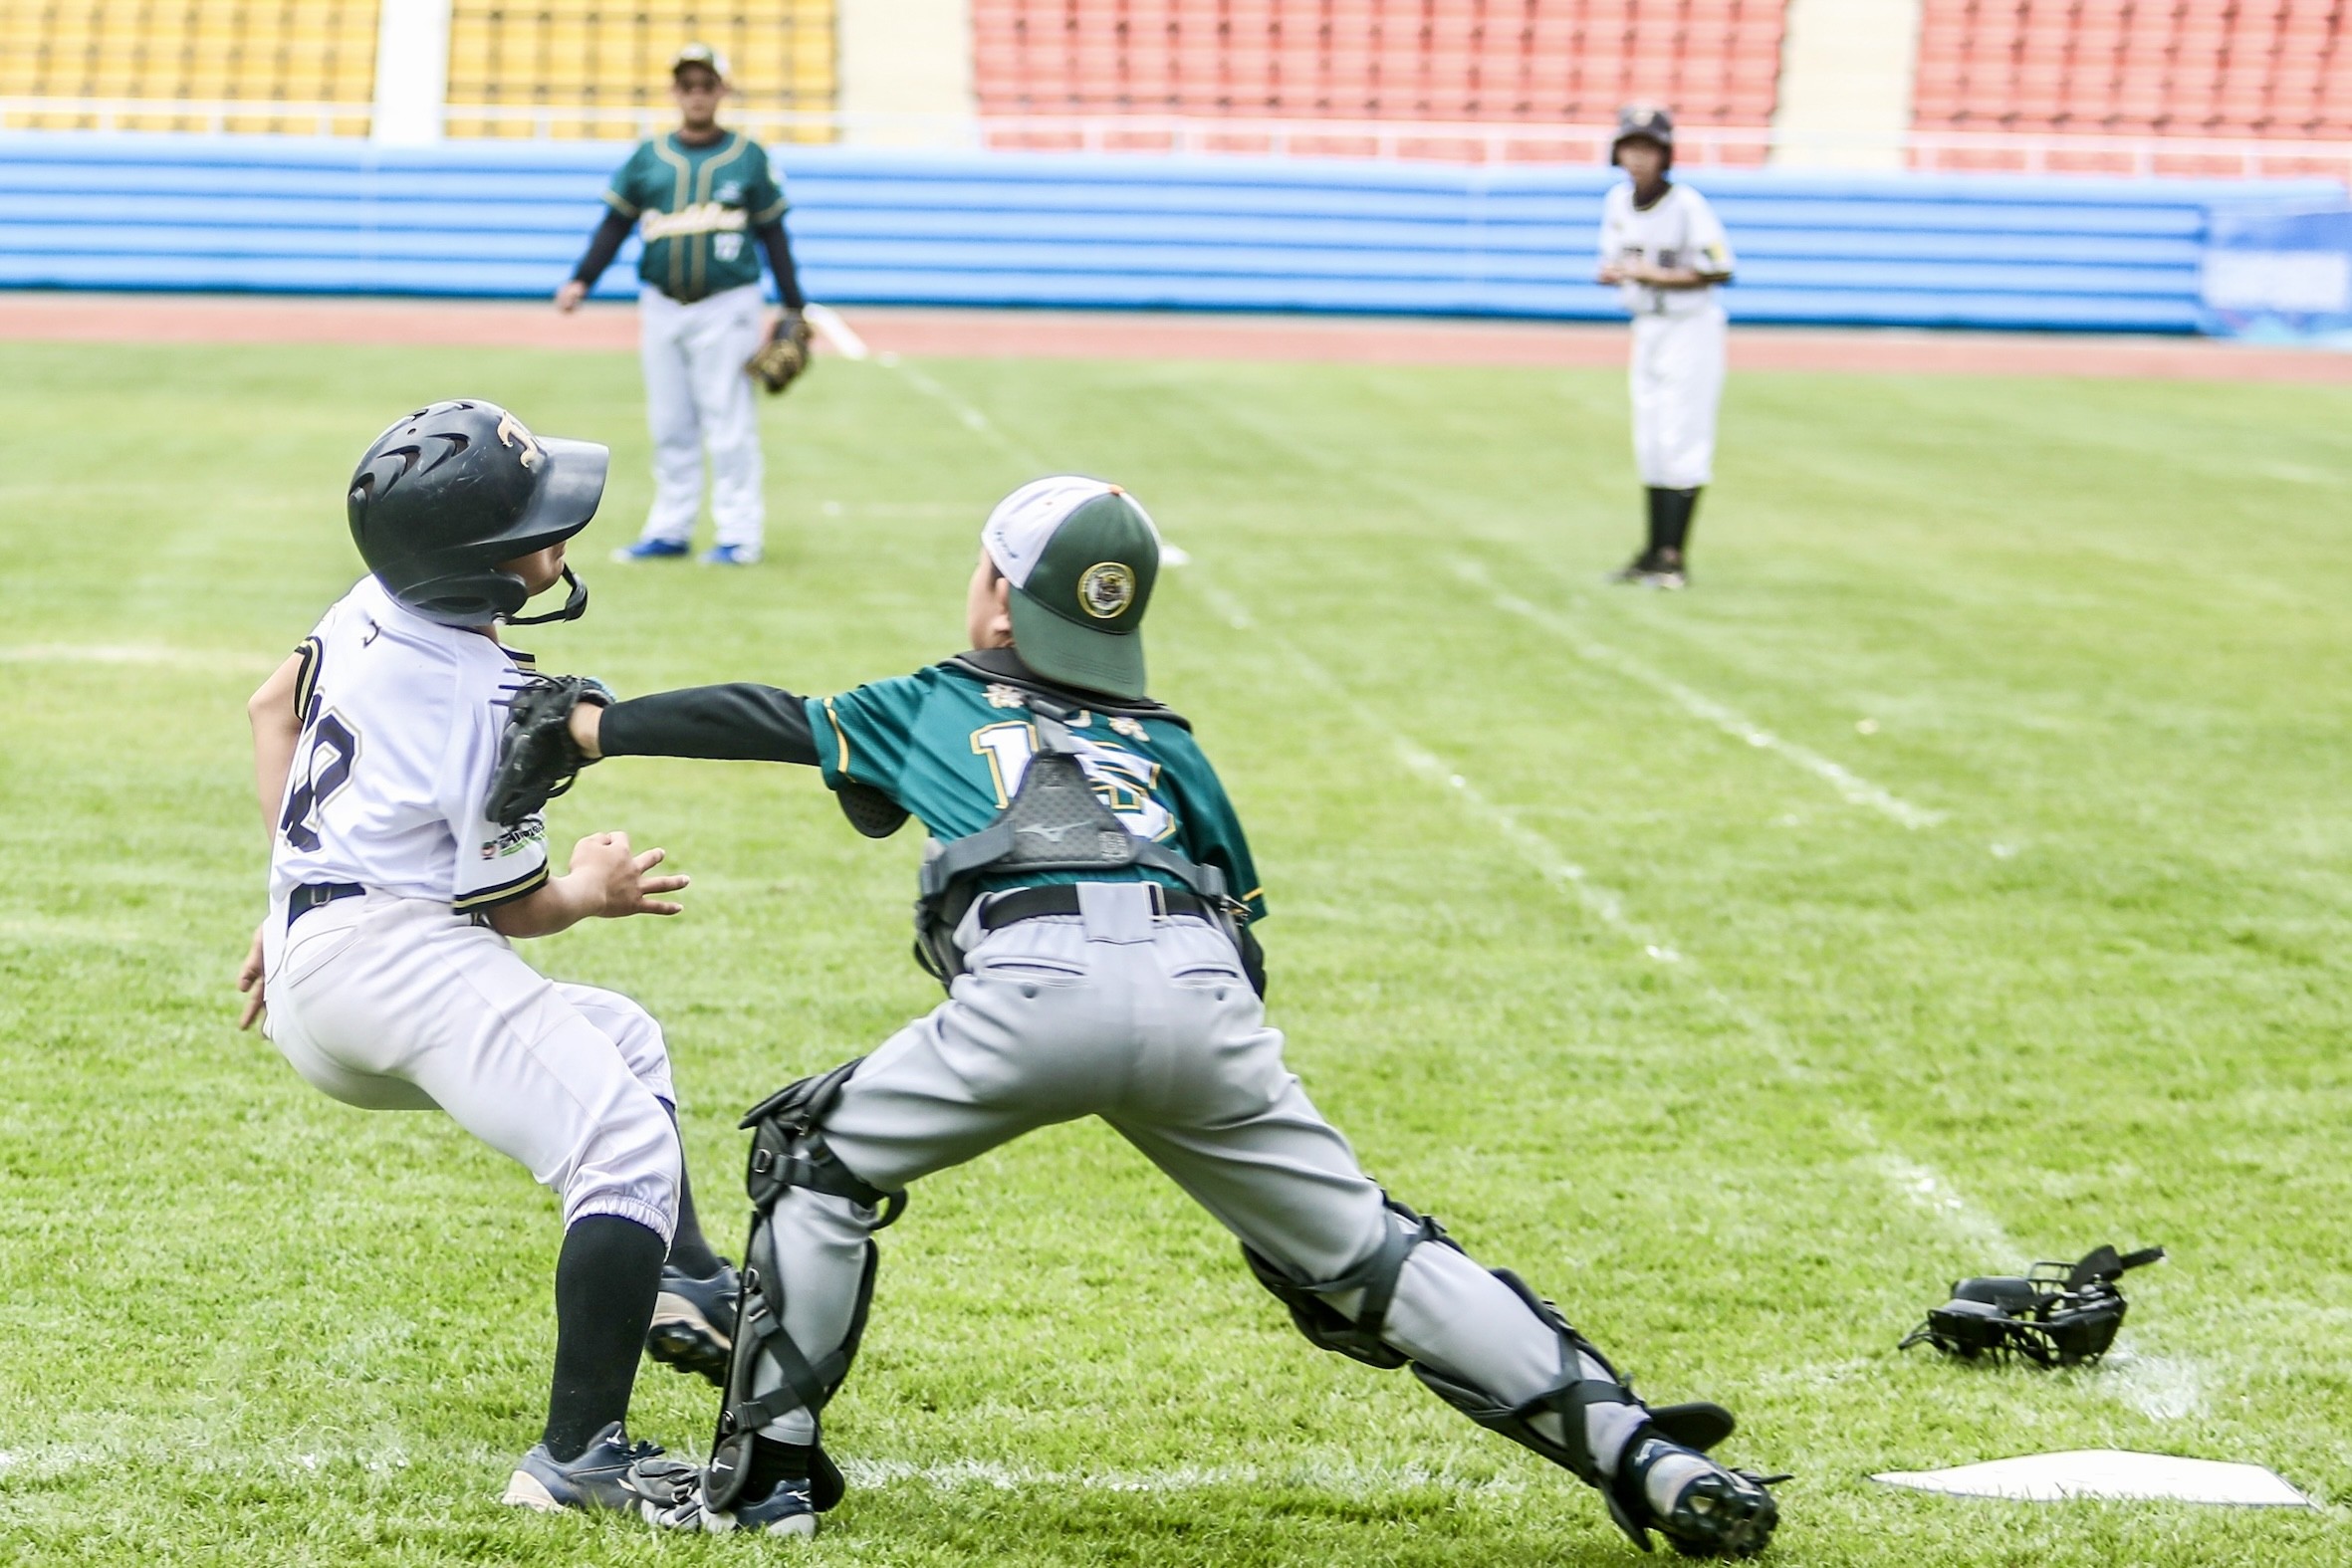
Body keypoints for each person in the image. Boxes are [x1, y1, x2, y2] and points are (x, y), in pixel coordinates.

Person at [498, 476, 1783, 1553]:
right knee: (1377, 1254)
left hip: (1031, 983)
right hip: (1205, 999)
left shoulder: (940, 698)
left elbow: (772, 719)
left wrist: (595, 724)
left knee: (810, 1157)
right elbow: (1241, 926)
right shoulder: (1172, 743)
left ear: (997, 595)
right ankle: (1641, 1452)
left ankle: (769, 1471)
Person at [232, 398, 738, 1515]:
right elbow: (513, 912)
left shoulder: (375, 600)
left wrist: (285, 899)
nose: (560, 535)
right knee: (620, 1145)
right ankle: (576, 1462)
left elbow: (274, 708)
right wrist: (594, 893)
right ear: (482, 569)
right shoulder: (486, 691)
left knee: (621, 1042)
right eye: (538, 524)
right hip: (392, 961)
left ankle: (680, 1281)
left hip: (322, 960)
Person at [556, 43, 808, 567]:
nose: (697, 94)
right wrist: (582, 279)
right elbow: (615, 225)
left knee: (728, 420)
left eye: (706, 85)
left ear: (723, 91)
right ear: (675, 92)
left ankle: (740, 534)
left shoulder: (748, 157)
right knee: (670, 422)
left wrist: (793, 305)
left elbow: (773, 232)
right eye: (687, 85)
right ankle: (670, 528)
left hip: (728, 304)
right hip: (663, 304)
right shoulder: (650, 157)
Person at [1596, 106, 1736, 590]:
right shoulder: (1618, 201)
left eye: (1648, 149)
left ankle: (1674, 557)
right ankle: (1652, 551)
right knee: (1651, 440)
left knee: (1682, 438)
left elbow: (1720, 268)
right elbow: (1616, 258)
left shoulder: (1687, 205)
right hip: (1647, 326)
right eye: (1631, 148)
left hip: (1690, 328)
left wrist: (1654, 275)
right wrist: (1615, 273)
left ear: (1665, 154)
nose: (1638, 159)